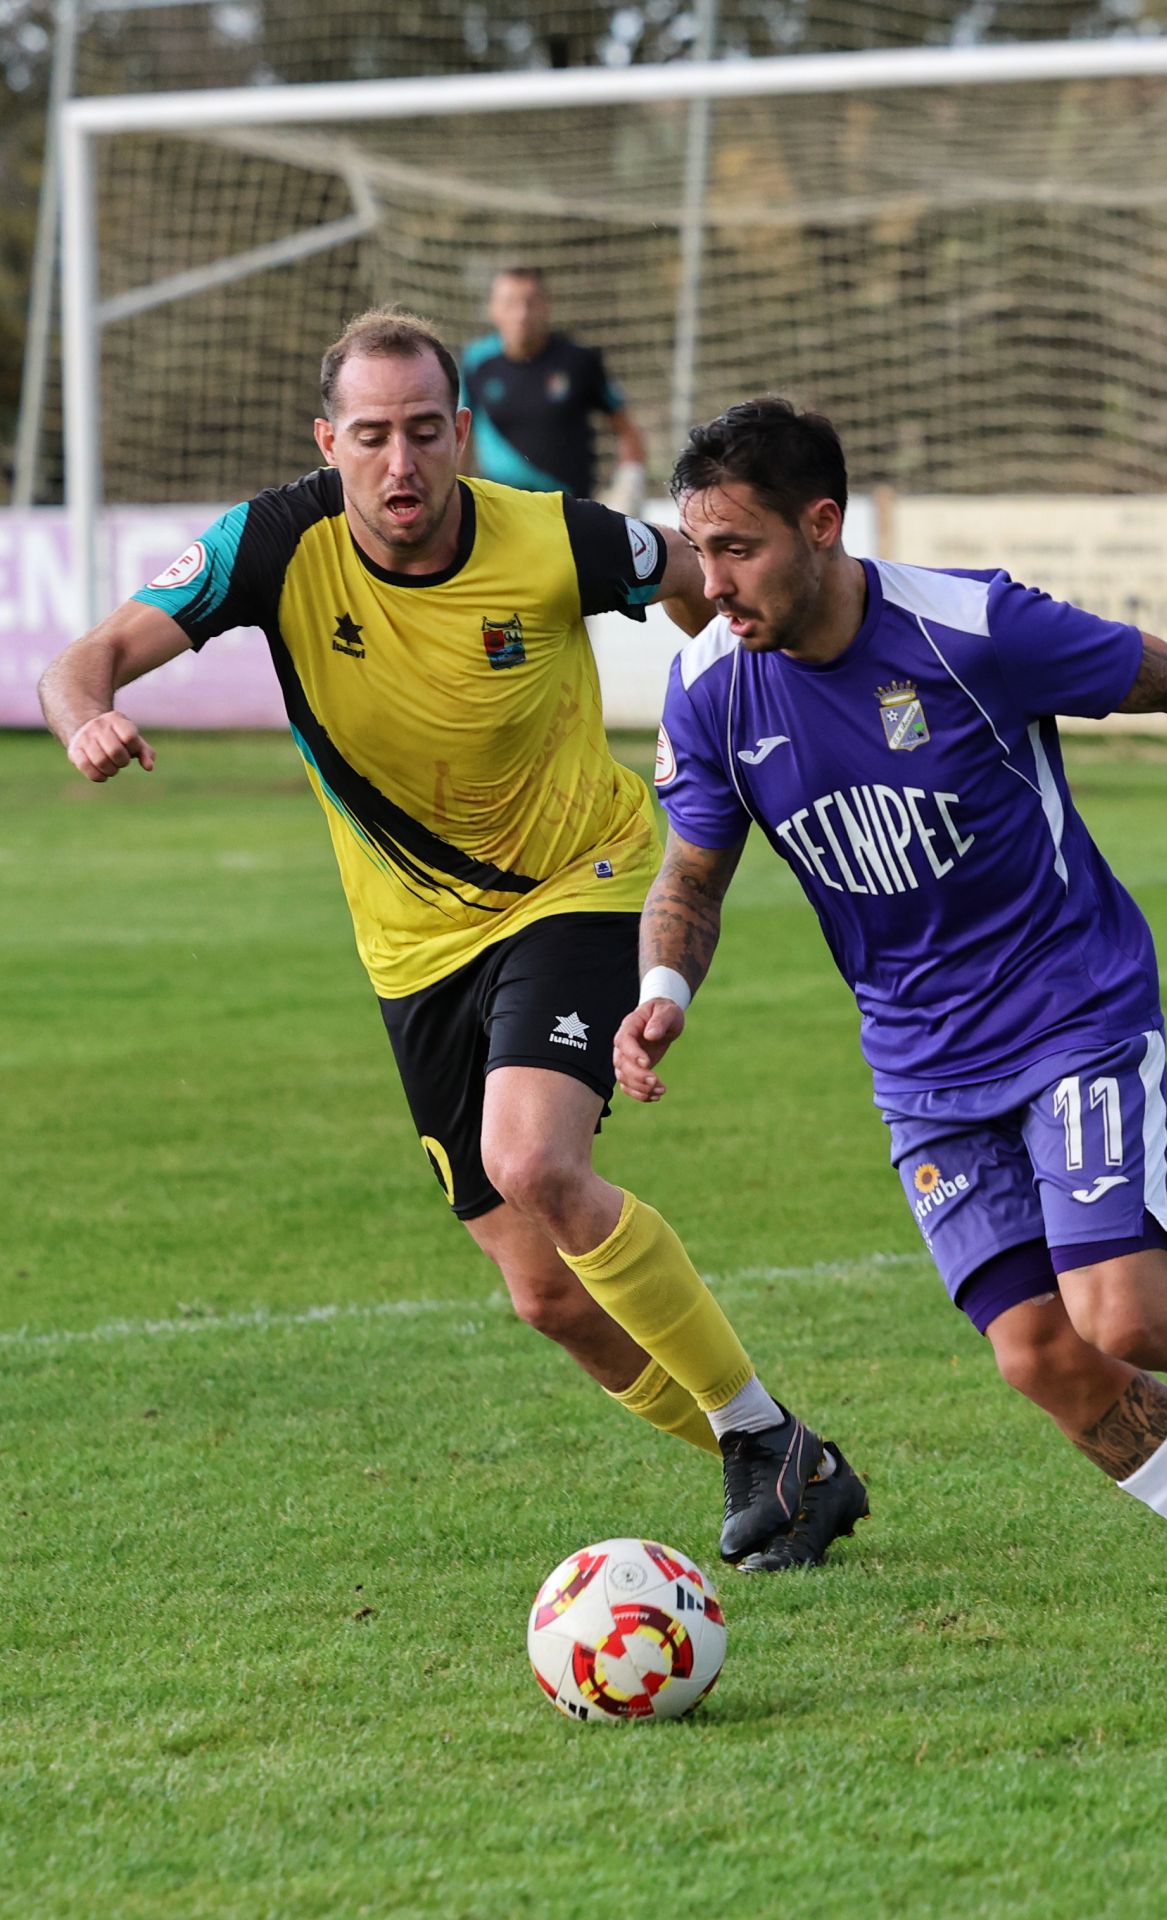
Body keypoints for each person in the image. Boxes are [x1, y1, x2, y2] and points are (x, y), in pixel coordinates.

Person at [616, 395, 1167, 1665]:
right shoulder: (709, 690)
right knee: (1041, 1355)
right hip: (921, 1064)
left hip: (1071, 1005)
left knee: (1120, 1314)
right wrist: (664, 995)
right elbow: (691, 875)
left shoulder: (972, 628)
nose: (713, 580)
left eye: (738, 547)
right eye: (698, 548)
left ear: (822, 525)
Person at [38, 325, 865, 1574]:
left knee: (529, 1154)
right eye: (370, 434)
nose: (400, 460)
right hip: (411, 951)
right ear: (331, 444)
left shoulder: (554, 535)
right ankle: (783, 1459)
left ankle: (760, 1442)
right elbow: (82, 659)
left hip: (573, 885)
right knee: (548, 1301)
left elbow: (711, 575)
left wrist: (729, 696)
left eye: (425, 429)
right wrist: (88, 717)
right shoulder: (270, 547)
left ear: (460, 432)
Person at [460, 267, 648, 514]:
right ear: (492, 309)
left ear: (547, 305)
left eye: (530, 302)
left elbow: (625, 428)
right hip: (500, 514)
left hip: (569, 514)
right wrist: (457, 493)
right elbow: (460, 435)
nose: (522, 313)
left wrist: (630, 480)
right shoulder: (475, 363)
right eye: (510, 303)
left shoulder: (579, 360)